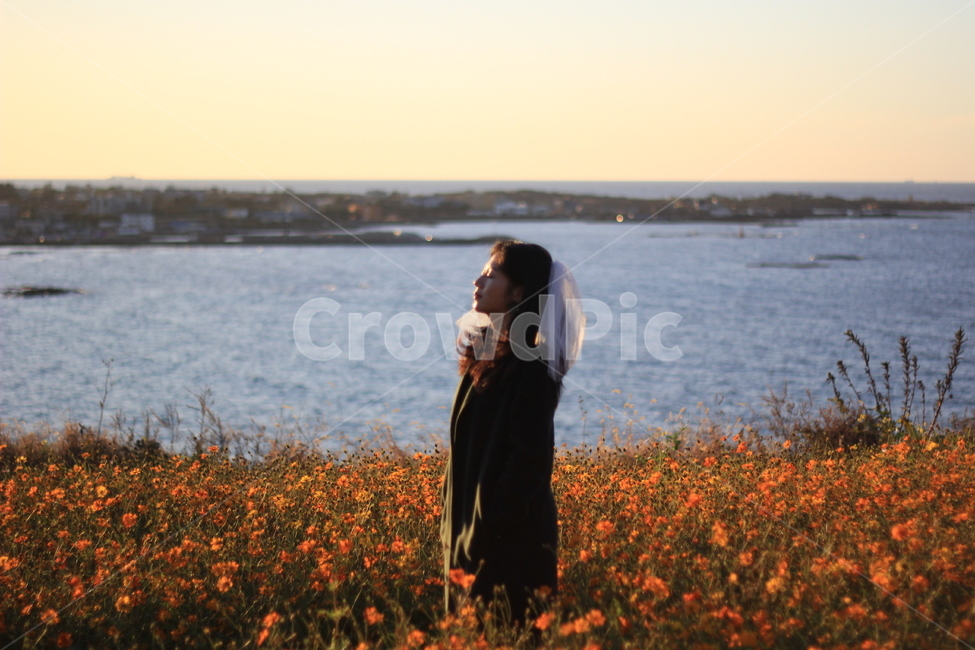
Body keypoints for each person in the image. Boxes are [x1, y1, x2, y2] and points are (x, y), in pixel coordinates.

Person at [440, 239, 584, 626]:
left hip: (508, 545)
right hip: (470, 536)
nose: (477, 281)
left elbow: (529, 462)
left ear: (519, 290)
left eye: (491, 275)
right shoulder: (485, 355)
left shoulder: (530, 367)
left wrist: (489, 531)